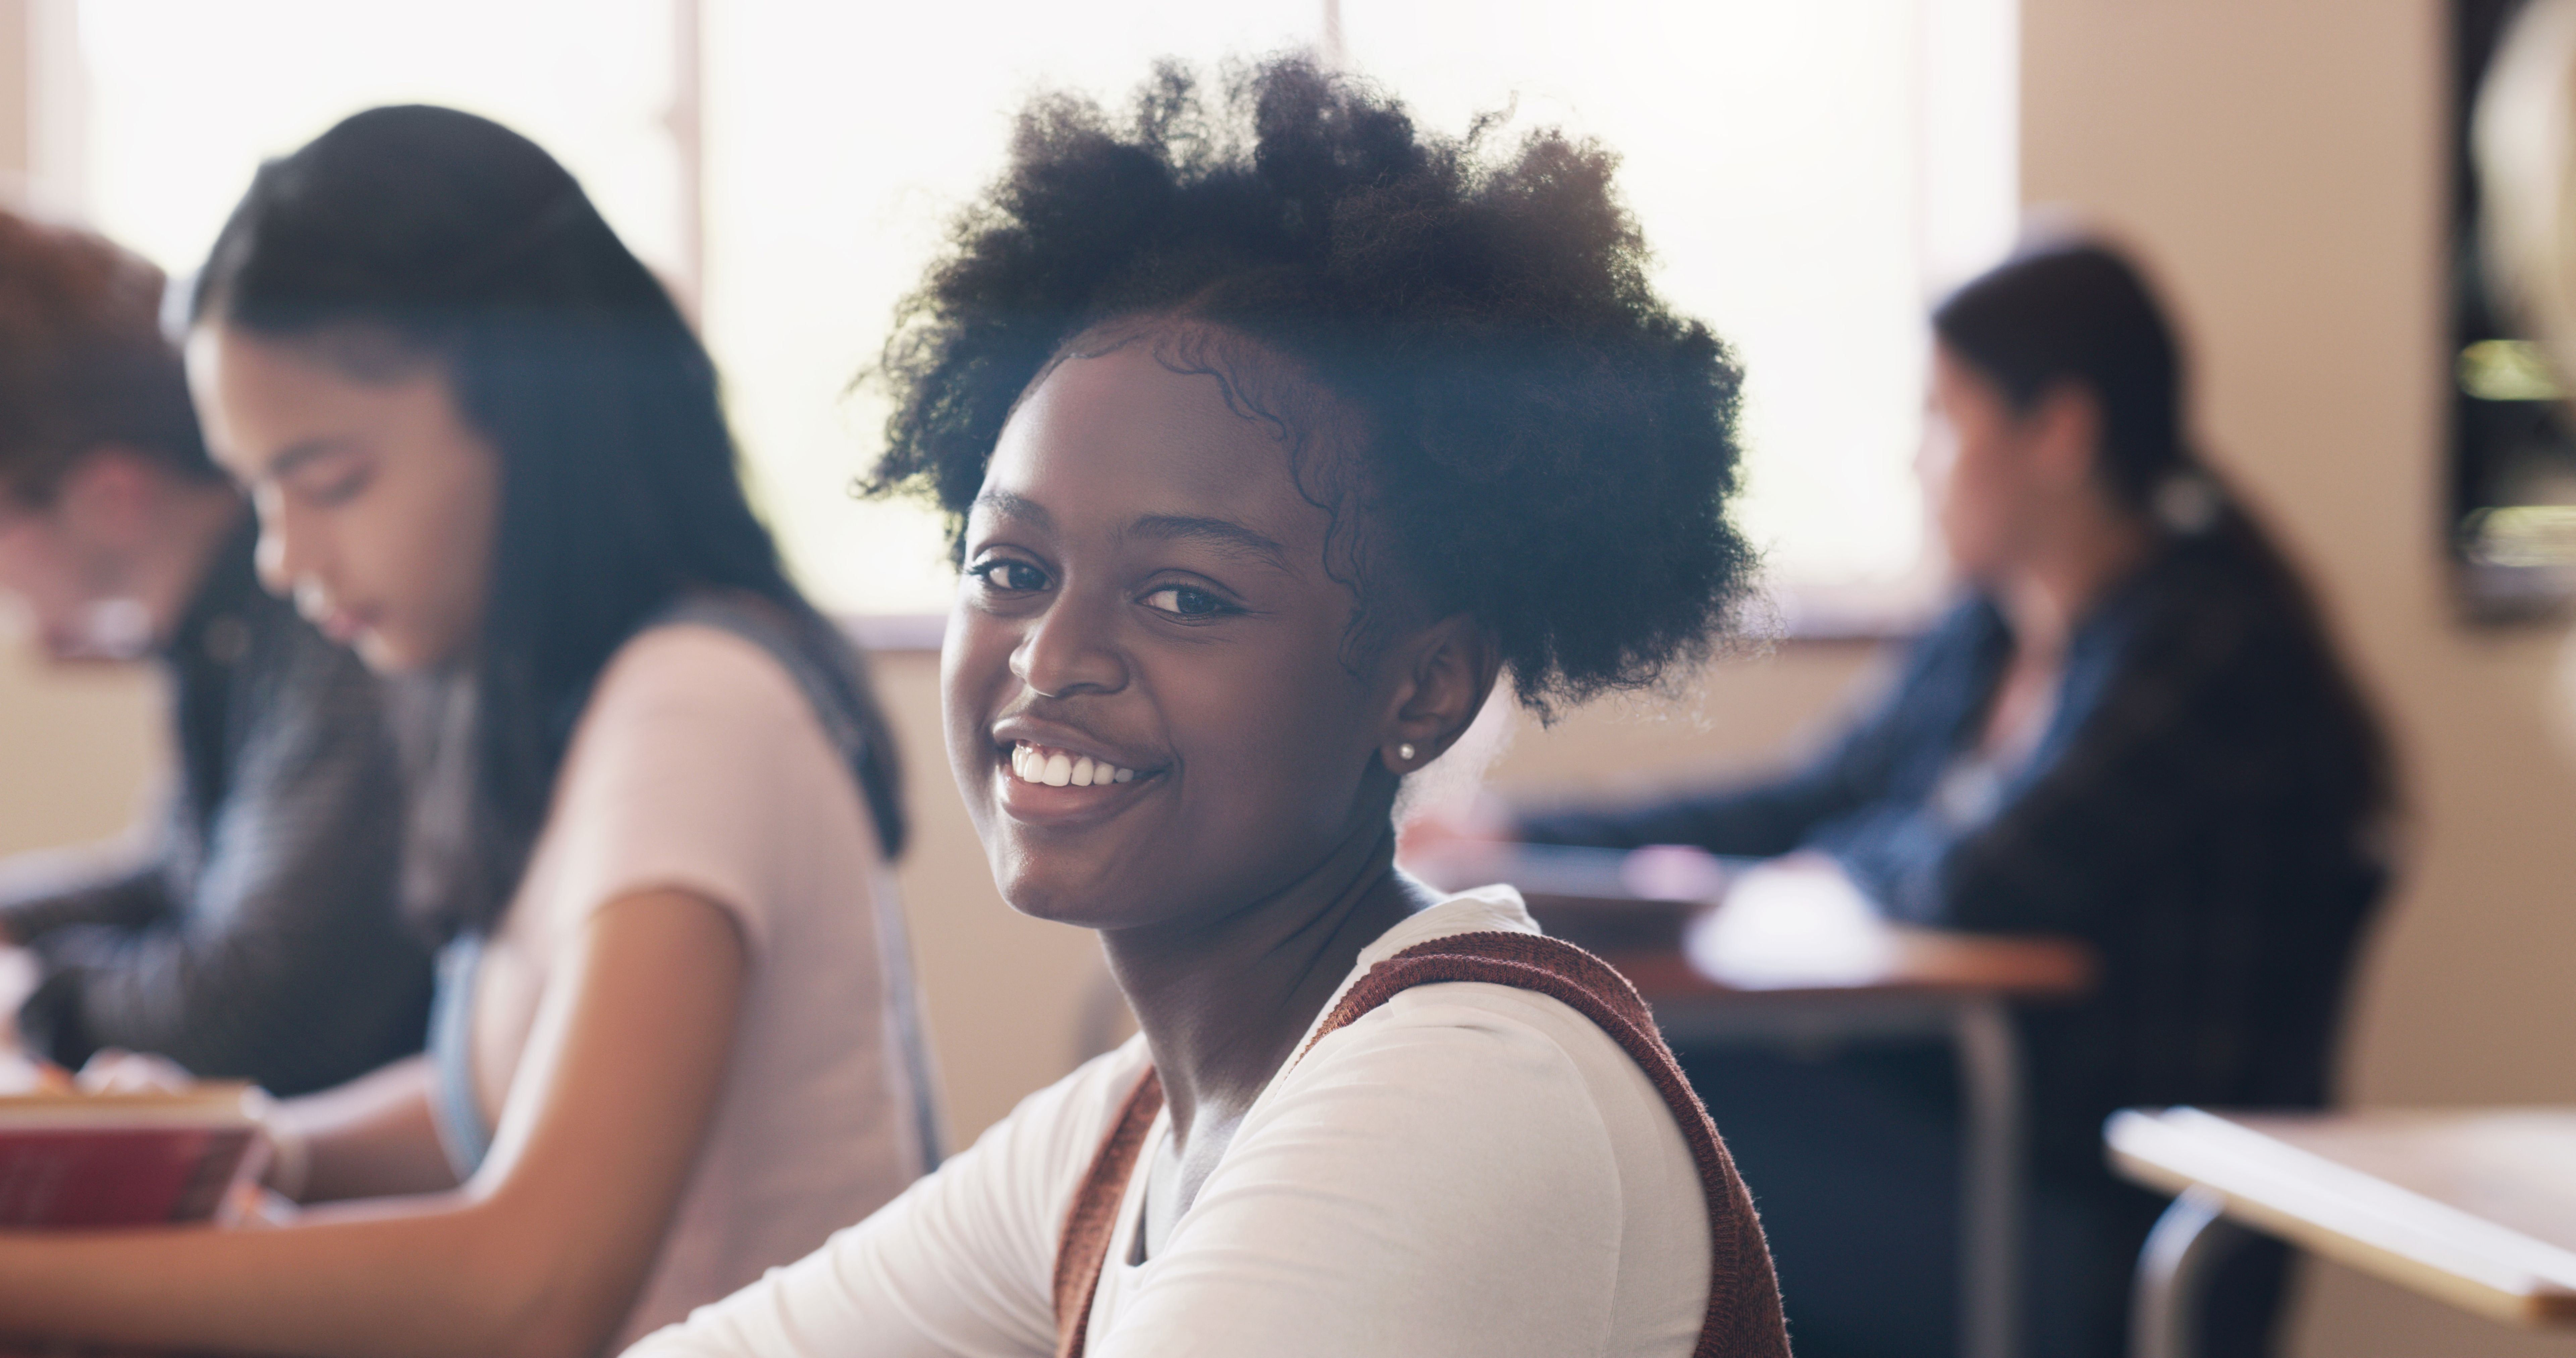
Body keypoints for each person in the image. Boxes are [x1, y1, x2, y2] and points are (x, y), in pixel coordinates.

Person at [629, 56, 1788, 1358]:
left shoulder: (1465, 1088)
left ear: (1424, 686)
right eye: (1012, 569)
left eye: (1184, 595)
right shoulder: (1126, 1134)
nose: (1053, 653)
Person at [0, 106, 936, 1358]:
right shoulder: (579, 699)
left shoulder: (696, 704)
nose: (284, 558)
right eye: (262, 493)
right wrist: (263, 1143)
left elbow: (532, 1290)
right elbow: (494, 1097)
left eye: (328, 481)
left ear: (535, 415)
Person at [1498, 240, 2396, 1358]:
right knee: (1622, 1085)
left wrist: (1843, 858)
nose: (1915, 461)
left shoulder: (2206, 646)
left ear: (2060, 433)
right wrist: (1521, 834)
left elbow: (1977, 878)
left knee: (1626, 1124)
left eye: (1942, 416)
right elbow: (1810, 796)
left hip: (2095, 1222)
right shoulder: (1992, 630)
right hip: (1956, 1152)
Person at [0, 207, 430, 1096]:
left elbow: (255, 1003)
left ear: (113, 495)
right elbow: (181, 879)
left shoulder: (333, 616)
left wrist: (36, 997)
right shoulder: (216, 630)